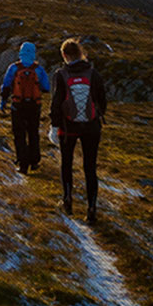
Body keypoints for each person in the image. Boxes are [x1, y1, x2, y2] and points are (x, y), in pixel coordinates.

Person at [50, 38, 107, 224]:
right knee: (90, 168)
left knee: (67, 164)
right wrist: (96, 116)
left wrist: (54, 126)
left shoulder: (61, 74)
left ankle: (67, 200)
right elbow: (102, 100)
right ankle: (91, 209)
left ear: (65, 55)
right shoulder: (93, 73)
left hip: (68, 129)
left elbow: (56, 102)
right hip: (91, 128)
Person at [0, 42, 50, 174]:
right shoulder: (39, 69)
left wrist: (3, 102)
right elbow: (46, 87)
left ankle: (22, 163)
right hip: (34, 106)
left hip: (18, 105)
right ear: (33, 53)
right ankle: (34, 161)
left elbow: (6, 86)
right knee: (33, 133)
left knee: (19, 134)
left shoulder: (14, 68)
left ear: (21, 52)